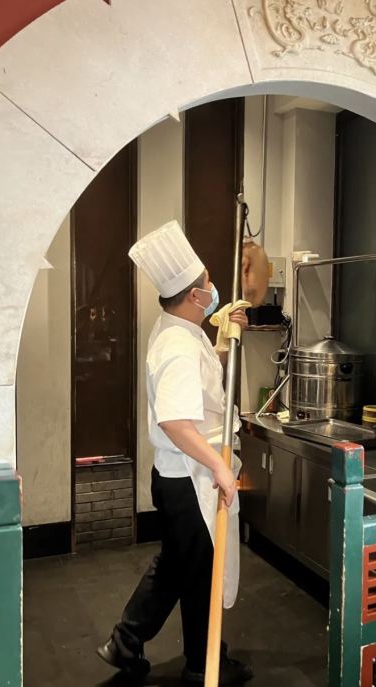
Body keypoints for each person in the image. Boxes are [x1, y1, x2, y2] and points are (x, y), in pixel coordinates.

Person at [97, 220, 253, 685]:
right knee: (197, 573)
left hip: (180, 475)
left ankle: (128, 642)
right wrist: (219, 466)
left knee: (179, 565)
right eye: (208, 283)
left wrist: (224, 342)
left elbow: (200, 387)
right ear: (195, 296)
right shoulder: (177, 346)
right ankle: (201, 664)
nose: (213, 287)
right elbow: (175, 421)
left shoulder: (182, 331)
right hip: (189, 476)